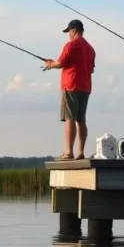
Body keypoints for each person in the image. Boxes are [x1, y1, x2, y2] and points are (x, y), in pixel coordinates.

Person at [44, 19, 96, 160]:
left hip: (70, 85)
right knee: (81, 120)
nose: (69, 35)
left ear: (74, 31)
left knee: (70, 118)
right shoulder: (91, 49)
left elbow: (60, 63)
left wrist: (50, 64)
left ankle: (68, 152)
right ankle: (80, 152)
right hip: (85, 87)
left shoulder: (71, 45)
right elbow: (91, 70)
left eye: (69, 32)